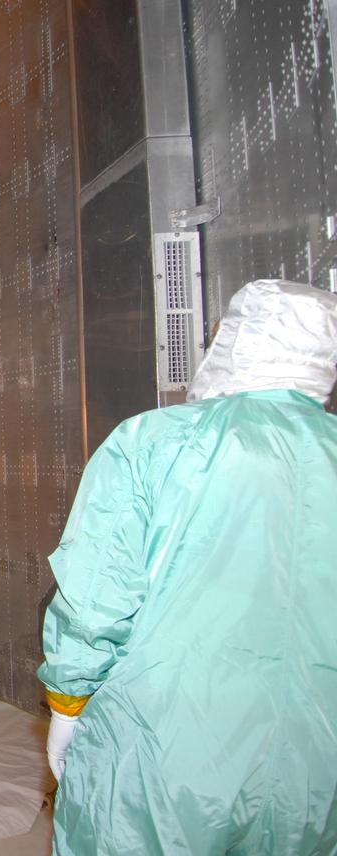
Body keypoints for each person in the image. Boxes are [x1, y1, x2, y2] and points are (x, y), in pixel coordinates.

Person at [39, 279, 337, 855]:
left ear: (236, 343)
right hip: (316, 763)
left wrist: (67, 704)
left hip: (166, 749)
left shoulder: (154, 441)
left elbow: (96, 598)